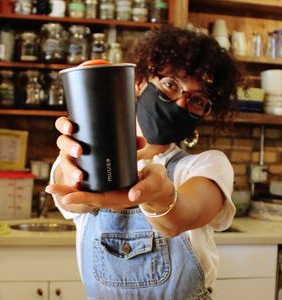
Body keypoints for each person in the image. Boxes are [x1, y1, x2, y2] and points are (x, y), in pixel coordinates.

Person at [46, 25, 245, 300]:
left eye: (197, 100)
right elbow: (72, 195)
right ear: (139, 81)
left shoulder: (205, 166)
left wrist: (161, 197)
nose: (179, 103)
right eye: (170, 84)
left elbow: (183, 215)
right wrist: (80, 177)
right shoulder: (82, 154)